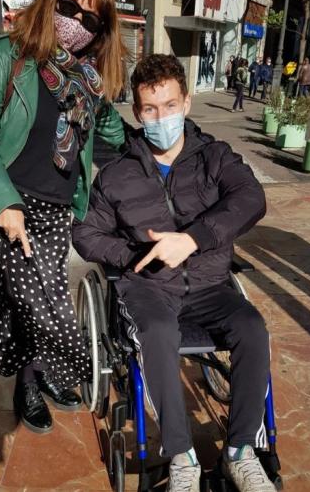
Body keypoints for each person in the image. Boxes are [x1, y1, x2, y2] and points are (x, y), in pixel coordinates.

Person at [72, 54, 273, 492]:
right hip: (149, 288)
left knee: (253, 328)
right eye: (149, 109)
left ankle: (240, 451)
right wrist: (134, 256)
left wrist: (195, 238)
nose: (160, 118)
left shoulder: (215, 157)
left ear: (186, 103)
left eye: (169, 105)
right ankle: (181, 457)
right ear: (137, 112)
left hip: (210, 282)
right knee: (158, 333)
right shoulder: (116, 174)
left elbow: (251, 199)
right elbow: (86, 234)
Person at [0, 0, 127, 434]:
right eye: (70, 7)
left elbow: (115, 137)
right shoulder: (8, 54)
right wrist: (4, 201)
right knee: (34, 303)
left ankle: (41, 376)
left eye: (92, 20)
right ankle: (44, 378)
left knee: (42, 297)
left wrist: (159, 136)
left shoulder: (89, 81)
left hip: (57, 205)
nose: (77, 22)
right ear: (52, 1)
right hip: (7, 201)